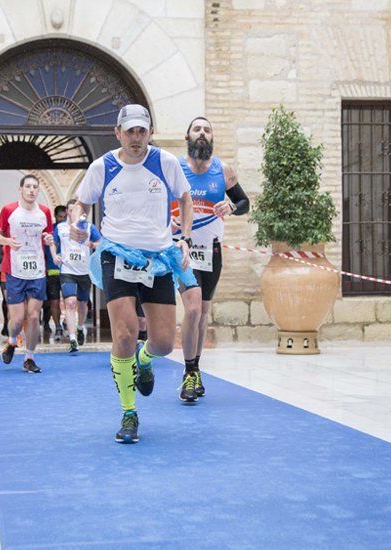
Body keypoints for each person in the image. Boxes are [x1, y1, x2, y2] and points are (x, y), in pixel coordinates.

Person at [70, 104, 195, 444]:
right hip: (116, 255)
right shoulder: (103, 166)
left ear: (149, 133)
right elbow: (81, 203)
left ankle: (144, 359)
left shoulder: (165, 163)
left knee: (165, 343)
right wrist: (76, 222)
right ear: (118, 133)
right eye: (130, 131)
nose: (136, 138)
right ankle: (129, 413)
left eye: (142, 131)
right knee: (123, 335)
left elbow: (185, 199)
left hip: (158, 257)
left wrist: (183, 238)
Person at [174, 116, 250, 401]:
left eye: (207, 130)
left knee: (203, 313)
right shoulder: (176, 169)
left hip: (212, 250)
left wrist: (230, 206)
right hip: (183, 250)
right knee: (192, 310)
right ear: (188, 136)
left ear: (212, 138)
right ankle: (189, 372)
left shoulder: (223, 170)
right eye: (197, 129)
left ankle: (195, 370)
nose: (202, 133)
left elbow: (245, 203)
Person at [0, 174, 55, 373]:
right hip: (15, 271)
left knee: (34, 316)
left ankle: (29, 358)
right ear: (21, 189)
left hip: (37, 270)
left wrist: (49, 240)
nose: (31, 190)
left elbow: (48, 237)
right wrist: (8, 242)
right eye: (27, 186)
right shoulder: (9, 210)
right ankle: (12, 342)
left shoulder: (44, 212)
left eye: (35, 187)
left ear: (38, 190)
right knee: (18, 320)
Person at [54, 198, 101, 353]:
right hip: (67, 271)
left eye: (77, 209)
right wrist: (55, 255)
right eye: (71, 209)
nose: (75, 211)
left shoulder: (89, 227)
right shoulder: (60, 228)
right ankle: (72, 339)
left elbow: (101, 242)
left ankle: (80, 327)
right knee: (70, 303)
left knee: (82, 305)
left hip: (84, 272)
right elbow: (53, 243)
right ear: (68, 211)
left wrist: (94, 245)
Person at [42, 205, 66, 339]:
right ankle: (57, 326)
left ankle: (66, 322)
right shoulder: (49, 232)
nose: (62, 220)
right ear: (55, 217)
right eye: (60, 217)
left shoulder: (71, 231)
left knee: (70, 301)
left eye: (65, 217)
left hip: (68, 272)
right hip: (51, 273)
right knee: (54, 302)